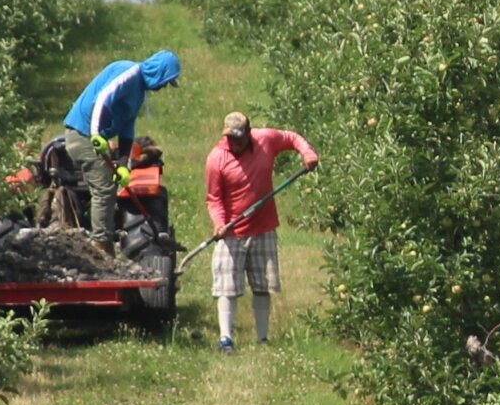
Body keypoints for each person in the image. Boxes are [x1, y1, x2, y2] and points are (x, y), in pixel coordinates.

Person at [204, 111, 319, 353]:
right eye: (230, 139)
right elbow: (214, 199)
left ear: (248, 133)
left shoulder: (265, 139)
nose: (234, 144)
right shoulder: (217, 158)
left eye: (238, 139)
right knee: (227, 286)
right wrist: (219, 223)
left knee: (262, 285)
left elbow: (291, 138)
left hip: (263, 227)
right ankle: (226, 339)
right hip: (231, 232)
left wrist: (307, 153)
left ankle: (262, 339)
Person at [63, 50, 181, 257]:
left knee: (109, 186)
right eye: (165, 81)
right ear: (158, 71)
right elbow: (102, 100)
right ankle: (101, 246)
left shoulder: (138, 93)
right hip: (81, 133)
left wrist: (124, 166)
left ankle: (102, 239)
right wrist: (96, 133)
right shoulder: (129, 72)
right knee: (104, 190)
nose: (163, 87)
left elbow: (127, 128)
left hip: (92, 135)